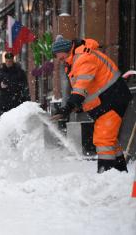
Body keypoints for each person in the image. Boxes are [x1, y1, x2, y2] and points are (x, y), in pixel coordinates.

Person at [51, 36, 132, 173]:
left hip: (112, 99)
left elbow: (81, 87)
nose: (60, 60)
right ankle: (120, 174)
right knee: (109, 141)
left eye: (60, 57)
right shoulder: (73, 61)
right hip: (105, 102)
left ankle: (104, 175)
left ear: (65, 50)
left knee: (103, 139)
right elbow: (87, 90)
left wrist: (69, 106)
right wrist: (76, 107)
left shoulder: (84, 58)